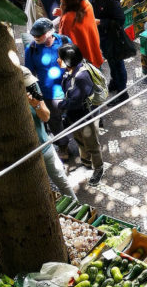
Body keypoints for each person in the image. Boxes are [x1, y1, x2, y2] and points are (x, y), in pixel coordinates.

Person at [18, 66, 77, 199]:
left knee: (62, 181)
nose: (30, 85)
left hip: (43, 145)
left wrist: (36, 105)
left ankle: (77, 207)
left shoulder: (32, 87)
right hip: (23, 154)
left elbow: (46, 117)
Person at [57, 43, 105, 186]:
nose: (57, 60)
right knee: (79, 139)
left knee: (92, 144)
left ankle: (98, 168)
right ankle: (86, 162)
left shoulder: (81, 77)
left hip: (86, 117)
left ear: (68, 61)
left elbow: (75, 101)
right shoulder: (70, 72)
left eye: (60, 58)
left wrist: (60, 106)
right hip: (76, 116)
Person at [25, 17, 73, 159]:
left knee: (74, 115)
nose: (36, 37)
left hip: (68, 88)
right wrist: (36, 98)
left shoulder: (64, 41)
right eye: (34, 35)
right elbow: (29, 74)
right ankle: (63, 146)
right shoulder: (31, 49)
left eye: (39, 34)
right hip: (49, 94)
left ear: (50, 32)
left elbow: (74, 60)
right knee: (54, 120)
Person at [86, 0, 132, 102]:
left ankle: (122, 93)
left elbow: (120, 20)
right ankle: (114, 82)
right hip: (103, 36)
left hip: (113, 37)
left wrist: (100, 22)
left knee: (118, 64)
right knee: (111, 61)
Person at [58, 0, 103, 67]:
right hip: (93, 47)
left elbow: (65, 40)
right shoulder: (87, 4)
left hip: (81, 57)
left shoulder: (68, 18)